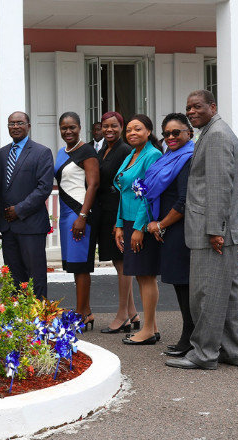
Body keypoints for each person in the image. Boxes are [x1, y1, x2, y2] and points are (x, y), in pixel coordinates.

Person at [166, 90, 238, 369]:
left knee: (207, 294)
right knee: (227, 293)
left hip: (211, 231)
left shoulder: (215, 136)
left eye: (197, 106)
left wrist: (215, 230)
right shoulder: (215, 132)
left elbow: (218, 187)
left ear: (212, 106)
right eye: (188, 107)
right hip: (219, 229)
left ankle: (204, 354)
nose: (191, 111)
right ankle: (234, 351)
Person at [139, 114, 193, 356]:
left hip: (181, 230)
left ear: (189, 133)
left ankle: (189, 339)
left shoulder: (187, 158)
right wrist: (157, 223)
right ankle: (189, 336)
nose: (170, 137)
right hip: (169, 229)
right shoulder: (169, 157)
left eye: (176, 133)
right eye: (167, 133)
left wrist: (160, 224)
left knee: (185, 285)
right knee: (181, 286)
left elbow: (183, 201)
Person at [113, 114, 163, 345]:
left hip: (142, 221)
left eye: (138, 129)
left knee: (146, 275)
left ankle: (148, 330)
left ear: (149, 131)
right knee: (142, 275)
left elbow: (148, 194)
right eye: (129, 130)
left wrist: (139, 228)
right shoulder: (132, 154)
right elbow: (125, 191)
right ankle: (151, 327)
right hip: (129, 219)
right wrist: (119, 223)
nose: (132, 133)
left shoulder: (152, 155)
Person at [0, 111, 54, 299]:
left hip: (31, 224)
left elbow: (44, 188)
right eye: (11, 123)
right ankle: (19, 315)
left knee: (35, 274)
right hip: (8, 226)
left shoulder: (42, 152)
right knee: (14, 275)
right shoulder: (1, 153)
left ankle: (38, 315)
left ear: (28, 126)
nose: (15, 127)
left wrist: (19, 210)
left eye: (20, 123)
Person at [54, 112, 100, 329]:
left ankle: (81, 313)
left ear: (80, 128)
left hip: (80, 213)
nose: (68, 131)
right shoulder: (61, 153)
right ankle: (86, 310)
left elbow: (93, 184)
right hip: (65, 214)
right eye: (64, 128)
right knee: (74, 265)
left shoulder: (87, 151)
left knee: (81, 266)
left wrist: (82, 216)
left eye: (72, 127)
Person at [96, 112, 139, 334]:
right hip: (106, 211)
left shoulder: (124, 150)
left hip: (117, 214)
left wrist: (119, 222)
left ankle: (122, 315)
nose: (109, 130)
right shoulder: (104, 149)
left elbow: (124, 186)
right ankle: (132, 313)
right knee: (118, 262)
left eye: (114, 126)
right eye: (105, 126)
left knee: (123, 264)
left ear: (121, 127)